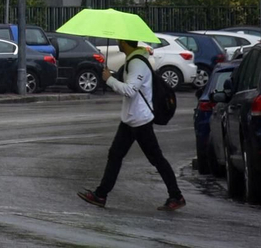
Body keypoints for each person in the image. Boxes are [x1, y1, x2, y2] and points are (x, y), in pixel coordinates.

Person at [77, 39, 185, 212]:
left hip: (140, 120)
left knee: (155, 158)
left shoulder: (137, 63)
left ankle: (176, 196)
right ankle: (101, 194)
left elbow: (130, 90)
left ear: (125, 43)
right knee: (115, 154)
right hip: (131, 119)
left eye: (120, 41)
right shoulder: (133, 60)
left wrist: (109, 80)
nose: (118, 43)